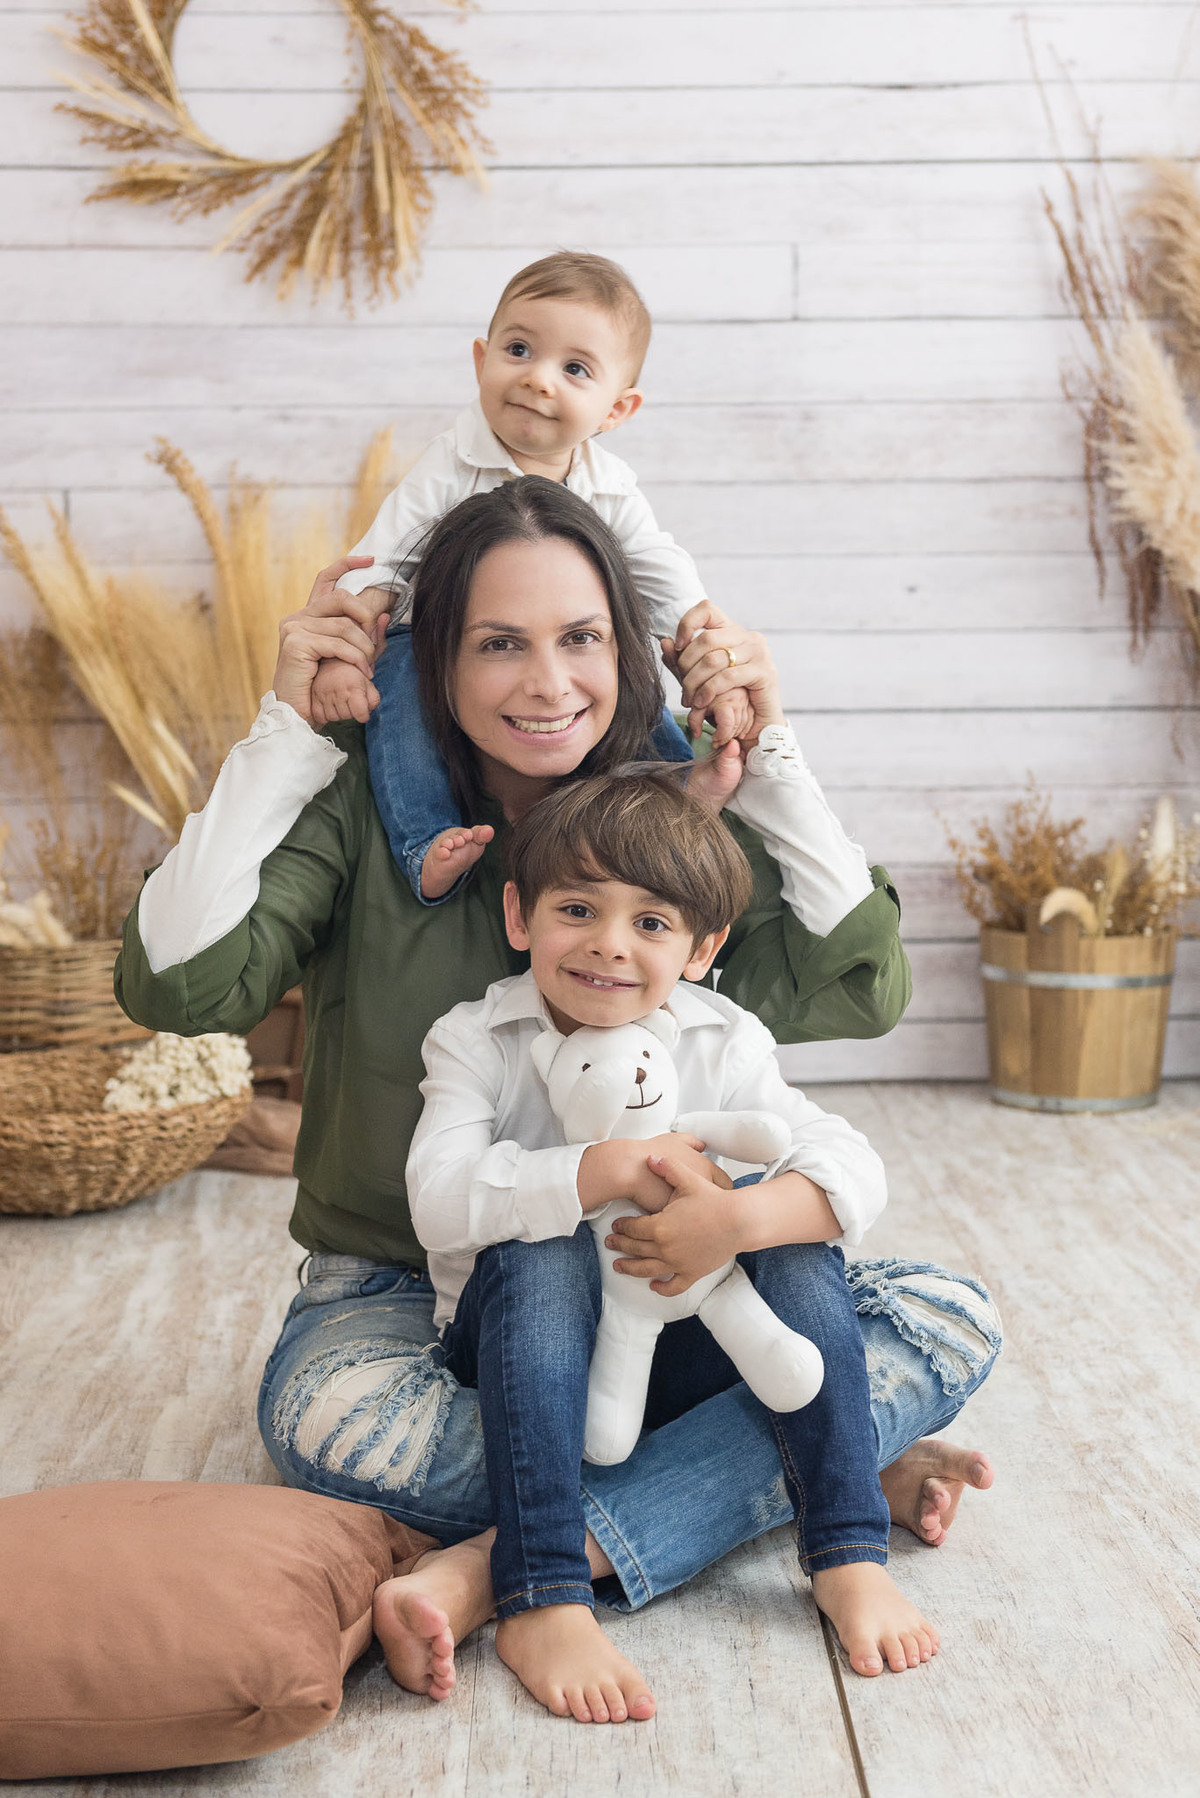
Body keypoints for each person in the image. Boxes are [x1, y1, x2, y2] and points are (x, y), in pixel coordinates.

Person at [114, 478, 1000, 1727]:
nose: (547, 682)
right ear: (436, 659)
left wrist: (773, 751)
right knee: (328, 1431)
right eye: (498, 642)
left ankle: (508, 1569)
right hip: (403, 1299)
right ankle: (806, 1455)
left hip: (673, 1271)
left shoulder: (666, 832)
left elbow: (863, 982)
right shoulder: (363, 804)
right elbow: (178, 980)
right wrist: (284, 731)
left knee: (950, 1318)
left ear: (625, 649)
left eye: (580, 637)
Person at [406, 765, 938, 1723]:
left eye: (651, 923)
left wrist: (736, 1220)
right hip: (527, 1358)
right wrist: (602, 1170)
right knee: (543, 1250)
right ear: (521, 916)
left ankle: (848, 1550)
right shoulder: (475, 1038)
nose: (610, 946)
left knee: (802, 1243)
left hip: (680, 1343)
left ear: (701, 948)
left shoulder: (721, 1036)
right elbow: (440, 1203)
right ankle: (542, 1593)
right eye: (579, 909)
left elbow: (847, 1163)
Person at [306, 250, 750, 904]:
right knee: (395, 698)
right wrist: (345, 655)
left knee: (630, 667)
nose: (539, 379)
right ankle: (424, 839)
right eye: (518, 350)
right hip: (429, 634)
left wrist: (706, 644)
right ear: (481, 359)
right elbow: (387, 557)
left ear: (617, 409)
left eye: (574, 369)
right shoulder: (450, 461)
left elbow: (660, 567)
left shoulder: (609, 485)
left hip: (555, 643)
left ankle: (673, 782)